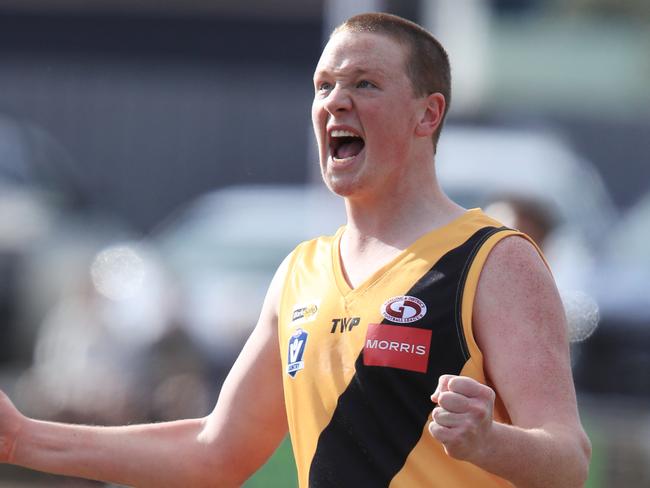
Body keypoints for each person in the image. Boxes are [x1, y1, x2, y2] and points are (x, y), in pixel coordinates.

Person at [0, 12, 591, 488]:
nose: (335, 101)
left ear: (427, 113)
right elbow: (216, 453)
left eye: (364, 83)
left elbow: (569, 461)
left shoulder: (493, 260)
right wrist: (23, 439)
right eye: (324, 85)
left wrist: (490, 442)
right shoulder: (300, 272)